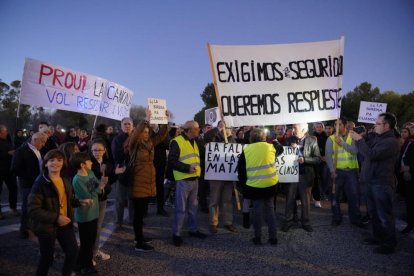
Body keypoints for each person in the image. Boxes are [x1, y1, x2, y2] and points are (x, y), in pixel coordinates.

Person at [27, 149, 93, 276]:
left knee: (73, 252)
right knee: (47, 259)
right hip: (47, 227)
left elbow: (68, 199)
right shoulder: (40, 183)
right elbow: (33, 210)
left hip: (65, 224)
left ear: (63, 163)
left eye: (59, 160)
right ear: (45, 163)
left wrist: (80, 201)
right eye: (51, 160)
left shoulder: (65, 180)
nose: (55, 163)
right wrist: (56, 218)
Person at [350, 112, 400, 254]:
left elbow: (371, 154)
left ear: (387, 125)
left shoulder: (391, 142)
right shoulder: (378, 138)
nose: (375, 126)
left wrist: (359, 139)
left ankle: (390, 244)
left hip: (382, 183)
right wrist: (364, 136)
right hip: (371, 181)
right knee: (373, 213)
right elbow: (366, 148)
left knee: (384, 215)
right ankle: (378, 237)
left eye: (378, 124)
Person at [126, 110, 168, 252]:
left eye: (147, 131)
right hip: (138, 182)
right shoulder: (133, 144)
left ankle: (140, 236)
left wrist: (164, 121)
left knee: (143, 212)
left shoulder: (150, 143)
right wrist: (146, 119)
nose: (145, 133)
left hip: (148, 182)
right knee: (139, 214)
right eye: (143, 132)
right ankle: (138, 242)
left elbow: (162, 136)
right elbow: (136, 134)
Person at [238, 128, 283, 245]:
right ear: (264, 137)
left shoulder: (246, 150)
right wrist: (275, 141)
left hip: (254, 187)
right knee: (270, 210)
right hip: (270, 185)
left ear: (251, 138)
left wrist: (243, 186)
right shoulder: (271, 147)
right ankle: (273, 238)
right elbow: (281, 149)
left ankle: (257, 238)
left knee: (257, 211)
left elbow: (241, 170)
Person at [168, 120, 207, 246]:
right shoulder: (177, 141)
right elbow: (172, 161)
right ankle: (176, 234)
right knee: (181, 209)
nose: (199, 130)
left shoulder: (194, 141)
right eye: (197, 128)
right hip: (183, 180)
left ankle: (193, 230)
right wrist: (187, 168)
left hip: (194, 180)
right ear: (189, 129)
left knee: (193, 208)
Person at [281, 123, 320, 233]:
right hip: (291, 174)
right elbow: (282, 156)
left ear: (303, 129)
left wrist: (305, 159)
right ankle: (289, 221)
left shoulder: (312, 140)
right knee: (289, 199)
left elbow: (317, 159)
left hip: (305, 174)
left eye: (295, 128)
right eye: (292, 128)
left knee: (305, 200)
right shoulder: (289, 140)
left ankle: (305, 222)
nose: (292, 130)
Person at [71, 152, 106, 274]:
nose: (91, 162)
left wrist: (100, 184)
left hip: (94, 211)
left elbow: (96, 187)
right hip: (85, 215)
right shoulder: (77, 179)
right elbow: (89, 194)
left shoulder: (90, 173)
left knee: (90, 239)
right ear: (82, 165)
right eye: (89, 161)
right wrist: (100, 186)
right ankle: (88, 266)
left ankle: (79, 263)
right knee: (86, 241)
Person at [325, 118, 363, 227]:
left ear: (345, 125)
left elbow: (355, 151)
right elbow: (328, 156)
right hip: (337, 172)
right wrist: (332, 171)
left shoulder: (353, 135)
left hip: (351, 172)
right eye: (335, 125)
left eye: (339, 124)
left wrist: (341, 143)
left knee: (354, 196)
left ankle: (355, 219)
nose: (337, 126)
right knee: (335, 196)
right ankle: (336, 217)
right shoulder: (331, 139)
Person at [11, 132, 47, 238]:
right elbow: (15, 169)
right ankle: (24, 229)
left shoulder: (39, 150)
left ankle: (33, 227)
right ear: (35, 140)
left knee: (36, 207)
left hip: (39, 183)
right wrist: (30, 177)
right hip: (28, 184)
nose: (44, 144)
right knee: (26, 207)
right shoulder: (21, 151)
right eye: (43, 142)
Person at [204, 123, 237, 234]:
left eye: (229, 128)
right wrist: (218, 128)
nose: (227, 130)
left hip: (228, 175)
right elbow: (206, 137)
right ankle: (213, 222)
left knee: (227, 200)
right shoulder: (214, 138)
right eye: (225, 127)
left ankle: (228, 222)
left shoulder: (233, 140)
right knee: (214, 200)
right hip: (215, 175)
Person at [90, 139, 119, 262]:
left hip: (103, 198)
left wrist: (115, 173)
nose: (97, 152)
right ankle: (88, 254)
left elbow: (109, 180)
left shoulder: (107, 162)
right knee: (90, 227)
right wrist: (100, 183)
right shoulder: (88, 163)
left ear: (104, 150)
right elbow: (88, 183)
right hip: (91, 199)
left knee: (97, 227)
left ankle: (95, 251)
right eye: (94, 150)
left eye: (99, 150)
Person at [111, 117, 134, 230]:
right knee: (120, 200)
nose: (127, 126)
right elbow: (117, 155)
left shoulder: (136, 138)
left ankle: (132, 220)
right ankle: (117, 223)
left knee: (132, 199)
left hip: (134, 173)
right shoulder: (117, 139)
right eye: (125, 124)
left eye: (129, 124)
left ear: (133, 126)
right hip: (122, 173)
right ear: (121, 126)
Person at [0, 125, 19, 219]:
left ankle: (13, 208)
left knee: (13, 188)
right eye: (5, 131)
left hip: (9, 169)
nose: (7, 132)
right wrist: (6, 153)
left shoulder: (8, 140)